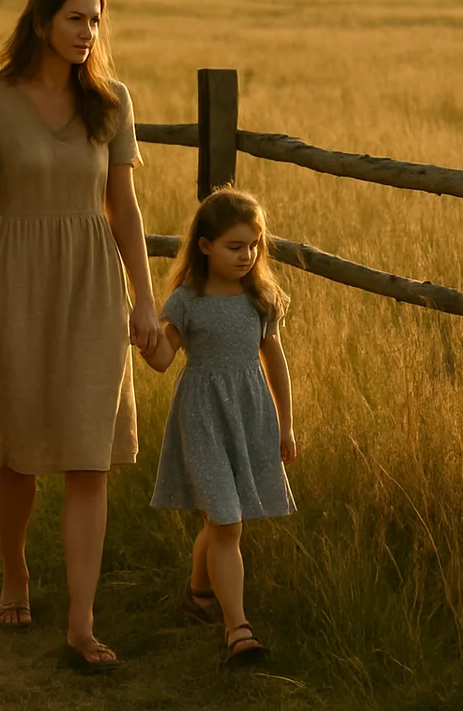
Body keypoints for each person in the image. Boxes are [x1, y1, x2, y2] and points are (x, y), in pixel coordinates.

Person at [0, 0, 161, 675]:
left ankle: (81, 621)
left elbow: (124, 210)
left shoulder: (112, 101)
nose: (88, 32)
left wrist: (144, 298)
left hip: (93, 285)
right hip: (14, 280)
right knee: (15, 453)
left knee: (87, 454)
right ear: (41, 22)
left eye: (96, 20)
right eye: (75, 18)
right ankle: (14, 571)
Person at [140, 187, 298, 667]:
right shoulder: (187, 301)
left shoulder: (261, 300)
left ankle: (197, 591)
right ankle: (238, 630)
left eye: (254, 245)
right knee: (226, 520)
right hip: (203, 417)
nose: (247, 256)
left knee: (223, 516)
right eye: (235, 246)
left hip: (250, 415)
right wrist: (147, 340)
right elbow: (164, 360)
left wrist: (286, 426)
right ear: (205, 246)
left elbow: (276, 364)